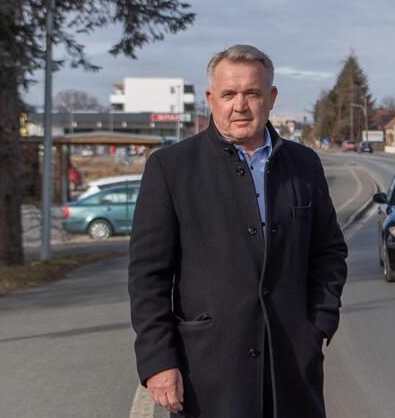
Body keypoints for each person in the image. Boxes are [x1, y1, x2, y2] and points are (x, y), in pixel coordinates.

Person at [128, 44, 348, 417]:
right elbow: (149, 276)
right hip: (208, 371)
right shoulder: (171, 168)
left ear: (271, 97)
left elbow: (329, 253)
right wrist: (158, 362)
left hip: (291, 368)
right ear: (211, 98)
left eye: (252, 93)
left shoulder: (303, 165)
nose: (240, 106)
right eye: (229, 94)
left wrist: (318, 326)